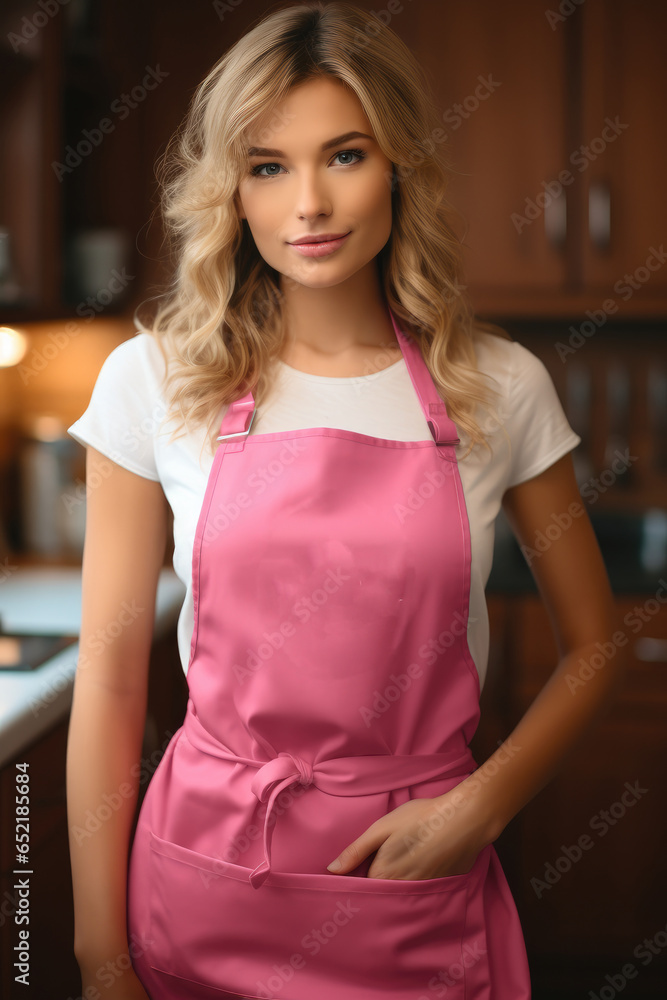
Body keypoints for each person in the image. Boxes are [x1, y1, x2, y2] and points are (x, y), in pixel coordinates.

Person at [65, 3, 626, 998]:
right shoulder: (150, 381)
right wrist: (97, 955)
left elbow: (596, 642)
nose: (309, 203)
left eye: (346, 155)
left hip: (412, 886)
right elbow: (108, 679)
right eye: (268, 165)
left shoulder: (499, 389)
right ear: (231, 189)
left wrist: (478, 809)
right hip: (201, 884)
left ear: (401, 163)